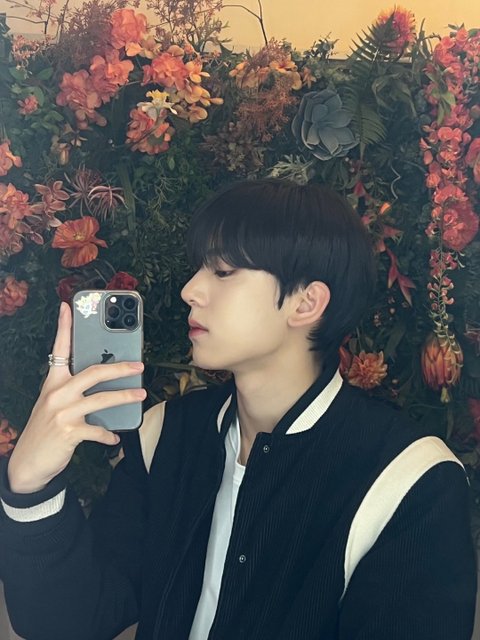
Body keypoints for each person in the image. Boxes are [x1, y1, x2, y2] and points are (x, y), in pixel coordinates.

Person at [0, 179, 476, 640]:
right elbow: (72, 621)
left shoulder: (411, 480)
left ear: (306, 303)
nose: (190, 290)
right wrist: (30, 483)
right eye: (200, 268)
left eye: (223, 271)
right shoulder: (165, 433)